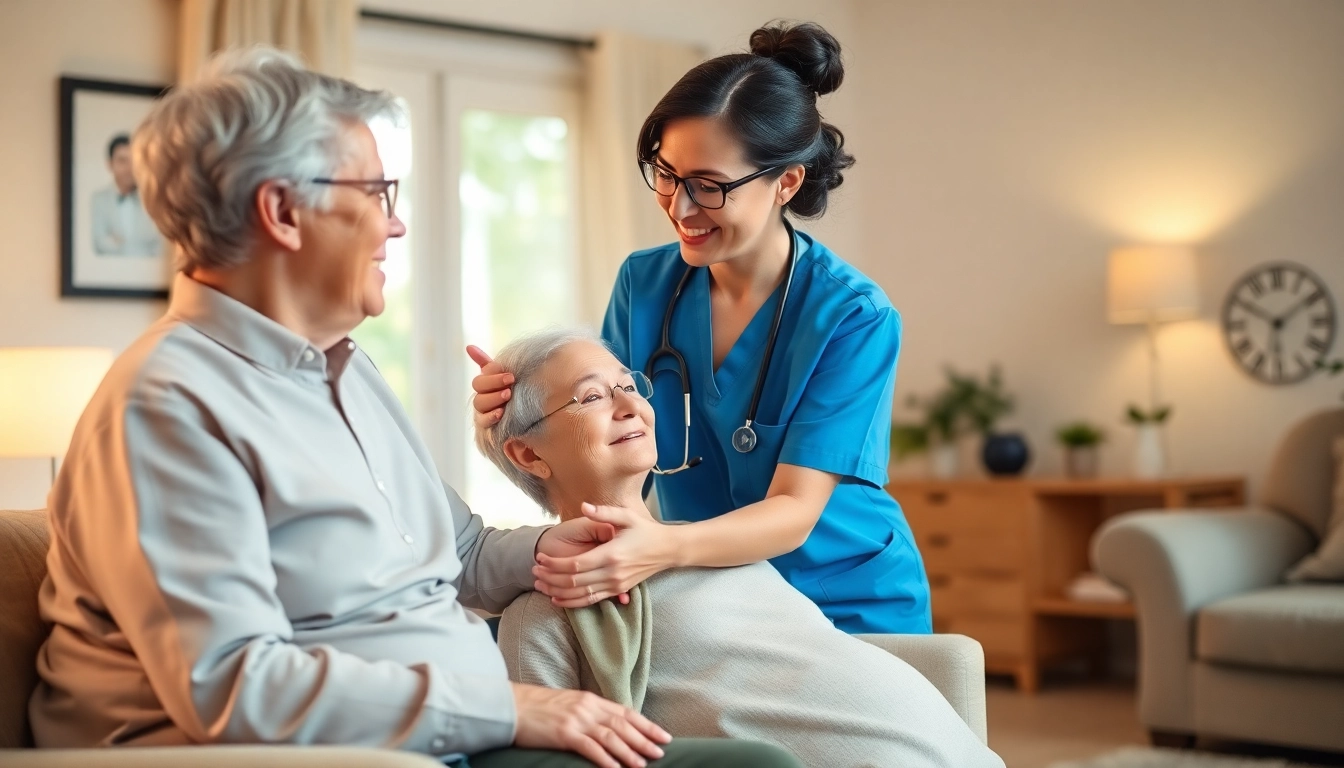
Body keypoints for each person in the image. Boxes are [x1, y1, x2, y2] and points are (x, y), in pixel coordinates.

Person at [30, 48, 800, 768]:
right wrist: (506, 706)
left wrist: (549, 551)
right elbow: (234, 686)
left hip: (438, 737)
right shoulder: (168, 406)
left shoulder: (343, 369)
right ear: (282, 212)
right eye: (376, 194)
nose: (395, 223)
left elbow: (457, 554)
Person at [471, 21, 929, 634]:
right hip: (707, 594)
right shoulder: (645, 283)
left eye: (709, 187)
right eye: (665, 173)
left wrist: (660, 546)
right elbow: (600, 445)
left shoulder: (852, 316)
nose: (679, 207)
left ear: (784, 183)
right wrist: (516, 420)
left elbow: (794, 510)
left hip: (840, 598)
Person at [475, 328, 1003, 768]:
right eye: (591, 396)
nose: (630, 404)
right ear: (528, 452)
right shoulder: (545, 609)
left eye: (628, 384)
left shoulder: (718, 544)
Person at [90, 133, 163, 255]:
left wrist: (117, 242)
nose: (129, 168)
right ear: (110, 164)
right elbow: (99, 243)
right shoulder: (98, 200)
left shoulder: (153, 200)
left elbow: (158, 246)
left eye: (133, 162)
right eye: (122, 161)